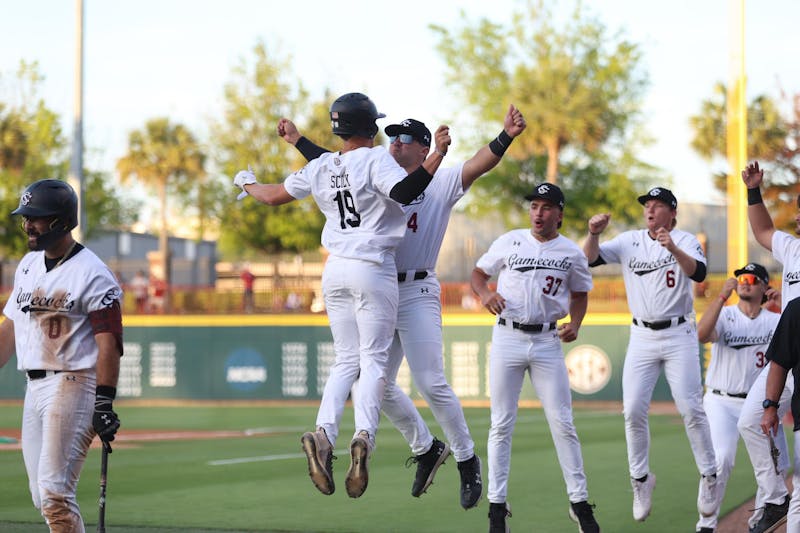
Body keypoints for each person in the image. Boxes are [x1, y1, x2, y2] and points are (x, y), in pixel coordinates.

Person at [279, 104, 526, 509]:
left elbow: (479, 165)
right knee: (373, 382)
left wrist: (506, 136)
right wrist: (298, 141)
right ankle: (427, 447)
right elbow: (334, 162)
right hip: (376, 285)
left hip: (416, 290)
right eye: (392, 135)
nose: (395, 142)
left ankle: (466, 458)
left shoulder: (440, 180)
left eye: (406, 138)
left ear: (425, 146)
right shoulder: (375, 171)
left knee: (430, 380)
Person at [233, 92, 450, 499]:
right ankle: (364, 435)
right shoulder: (376, 159)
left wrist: (245, 181)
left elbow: (273, 195)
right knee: (372, 361)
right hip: (373, 268)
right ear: (370, 127)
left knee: (345, 360)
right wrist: (435, 156)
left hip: (334, 270)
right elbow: (404, 193)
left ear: (338, 129)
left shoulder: (321, 166)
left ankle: (324, 431)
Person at [584, 186, 718, 523]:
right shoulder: (630, 240)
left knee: (691, 408)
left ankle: (709, 475)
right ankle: (641, 480)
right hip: (642, 335)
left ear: (672, 214)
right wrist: (592, 234)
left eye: (658, 206)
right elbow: (589, 258)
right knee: (631, 410)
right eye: (648, 205)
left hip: (678, 333)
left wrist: (672, 247)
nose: (650, 210)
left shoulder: (685, 239)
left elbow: (699, 274)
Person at [471, 183, 600, 533]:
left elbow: (580, 293)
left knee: (563, 423)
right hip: (507, 337)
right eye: (534, 206)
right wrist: (485, 294)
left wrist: (576, 322)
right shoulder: (510, 240)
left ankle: (579, 502)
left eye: (546, 207)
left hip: (546, 341)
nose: (538, 213)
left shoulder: (571, 252)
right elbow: (478, 275)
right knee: (501, 424)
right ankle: (497, 507)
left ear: (559, 213)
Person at [0, 179, 122, 532]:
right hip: (34, 388)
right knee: (42, 496)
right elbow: (9, 328)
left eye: (35, 217)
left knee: (54, 492)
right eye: (25, 217)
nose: (27, 225)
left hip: (73, 383)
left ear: (60, 220)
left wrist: (104, 401)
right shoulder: (27, 265)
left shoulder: (93, 273)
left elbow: (109, 341)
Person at [694, 263, 781, 533]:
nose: (745, 282)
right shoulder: (726, 314)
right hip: (722, 401)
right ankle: (706, 525)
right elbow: (701, 334)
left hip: (758, 405)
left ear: (765, 287)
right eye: (742, 278)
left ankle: (757, 523)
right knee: (721, 459)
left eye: (753, 279)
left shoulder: (775, 320)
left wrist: (782, 307)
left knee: (771, 466)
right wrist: (721, 297)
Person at [740, 160, 800, 532]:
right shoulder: (792, 248)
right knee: (750, 421)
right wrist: (752, 190)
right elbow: (762, 230)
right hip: (787, 356)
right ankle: (776, 496)